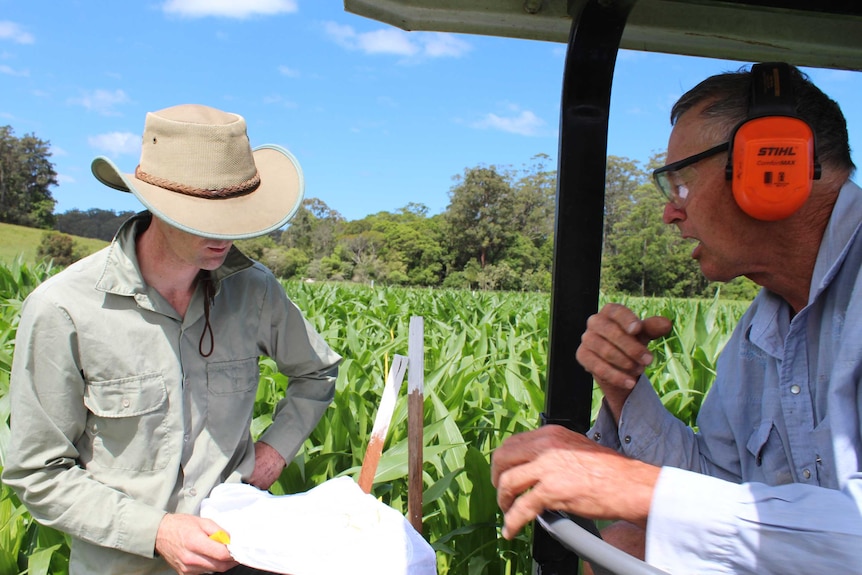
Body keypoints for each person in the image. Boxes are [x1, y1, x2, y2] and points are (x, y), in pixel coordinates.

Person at [491, 62, 862, 573]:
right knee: (628, 542)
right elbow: (721, 485)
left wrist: (641, 488)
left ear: (773, 166)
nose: (670, 211)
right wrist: (621, 387)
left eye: (681, 182)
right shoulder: (761, 330)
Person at [2, 104, 342, 575]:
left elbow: (317, 371)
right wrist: (158, 530)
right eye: (206, 215)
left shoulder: (256, 290)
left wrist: (275, 452)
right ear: (156, 205)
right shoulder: (63, 309)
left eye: (237, 213)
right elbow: (36, 472)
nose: (228, 233)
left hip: (240, 558)